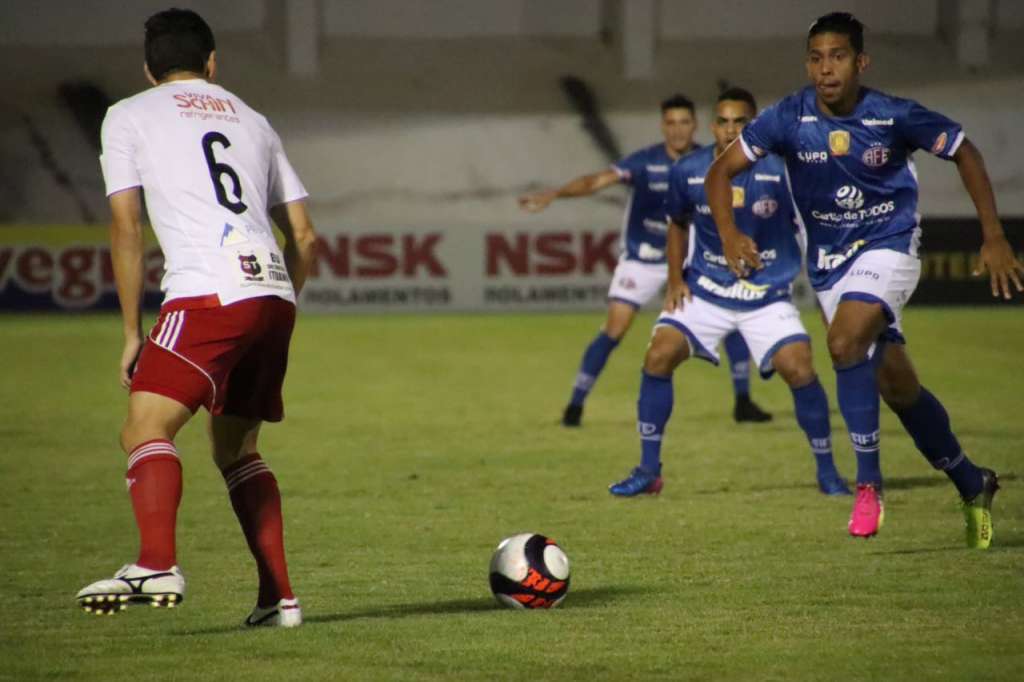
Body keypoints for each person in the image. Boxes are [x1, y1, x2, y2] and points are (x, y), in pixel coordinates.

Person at [706, 12, 1020, 546]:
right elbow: (720, 173)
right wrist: (731, 233)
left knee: (844, 341)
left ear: (860, 61)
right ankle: (972, 480)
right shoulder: (786, 117)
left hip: (890, 245)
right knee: (897, 386)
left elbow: (964, 150)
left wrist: (992, 235)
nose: (825, 68)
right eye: (816, 58)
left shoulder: (893, 115)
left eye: (838, 56)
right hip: (828, 266)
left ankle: (869, 485)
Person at [75, 8, 317, 625]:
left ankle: (156, 561)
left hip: (207, 291)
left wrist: (133, 331)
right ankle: (278, 599)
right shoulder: (254, 120)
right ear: (213, 63)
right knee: (235, 447)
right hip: (272, 292)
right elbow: (307, 238)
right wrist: (282, 299)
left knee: (143, 426)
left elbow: (126, 226)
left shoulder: (128, 115)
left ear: (148, 69)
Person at [608, 88, 849, 498]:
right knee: (659, 354)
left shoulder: (785, 171)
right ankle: (649, 469)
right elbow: (676, 224)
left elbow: (813, 229)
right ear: (713, 125)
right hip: (705, 292)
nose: (731, 129)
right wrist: (675, 279)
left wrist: (828, 287)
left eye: (741, 122)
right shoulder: (689, 170)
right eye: (724, 121)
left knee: (800, 368)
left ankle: (827, 471)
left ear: (755, 126)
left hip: (767, 297)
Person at [519, 95, 772, 427]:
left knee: (729, 317)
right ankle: (575, 406)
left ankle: (743, 401)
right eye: (671, 123)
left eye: (684, 122)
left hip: (687, 258)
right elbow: (596, 181)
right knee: (615, 327)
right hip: (643, 259)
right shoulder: (645, 162)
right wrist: (554, 195)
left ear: (695, 125)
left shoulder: (709, 162)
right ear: (662, 126)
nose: (678, 130)